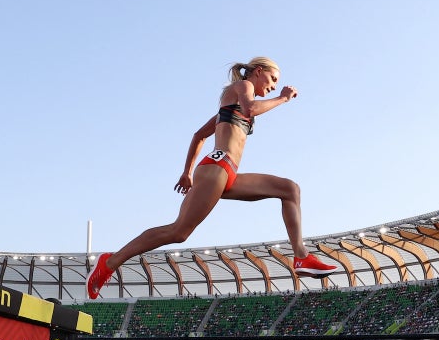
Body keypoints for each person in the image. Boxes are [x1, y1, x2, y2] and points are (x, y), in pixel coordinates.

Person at [86, 57, 339, 299]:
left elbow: (199, 135)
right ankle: (109, 262)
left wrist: (186, 173)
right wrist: (282, 98)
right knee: (178, 231)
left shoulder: (227, 108)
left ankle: (301, 256)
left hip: (226, 172)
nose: (273, 85)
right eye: (272, 78)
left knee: (289, 189)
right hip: (217, 166)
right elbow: (250, 108)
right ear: (258, 71)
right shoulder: (244, 86)